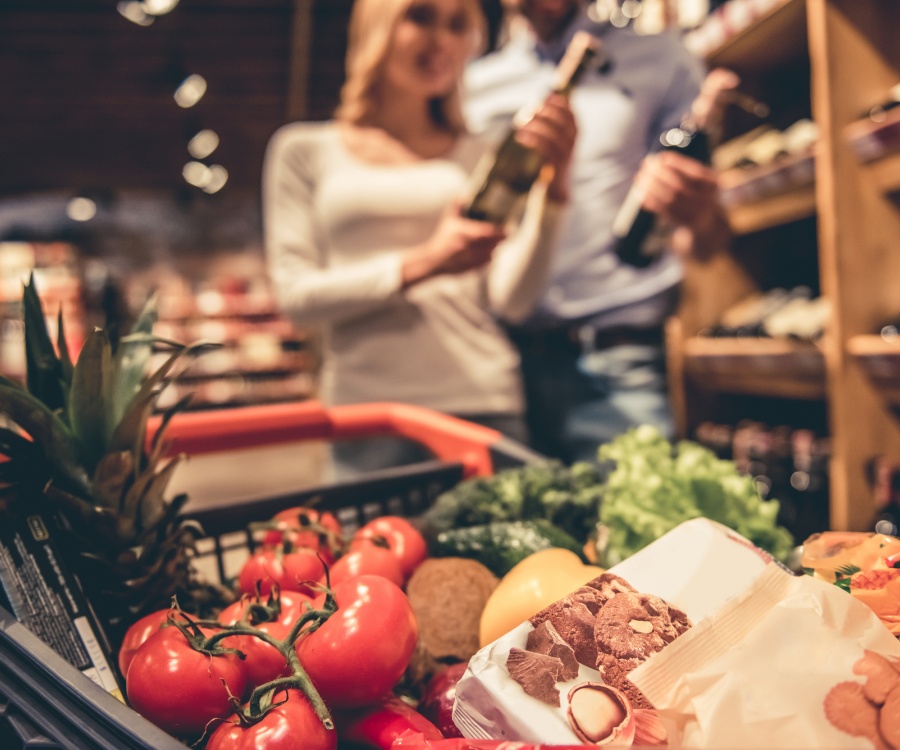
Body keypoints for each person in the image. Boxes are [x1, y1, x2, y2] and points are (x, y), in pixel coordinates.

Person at [263, 0, 576, 475]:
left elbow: (512, 299)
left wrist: (555, 192)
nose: (442, 40)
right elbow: (298, 300)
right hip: (365, 415)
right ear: (378, 25)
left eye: (457, 25)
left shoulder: (481, 153)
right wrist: (428, 260)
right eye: (421, 16)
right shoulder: (304, 150)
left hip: (481, 401)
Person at [464, 0, 731, 463]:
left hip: (620, 365)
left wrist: (700, 214)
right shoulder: (474, 87)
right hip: (499, 369)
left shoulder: (662, 60)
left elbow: (706, 243)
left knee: (640, 531)